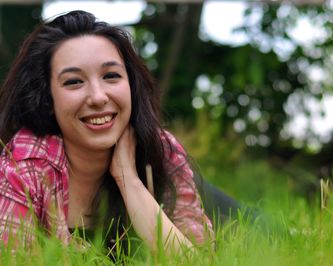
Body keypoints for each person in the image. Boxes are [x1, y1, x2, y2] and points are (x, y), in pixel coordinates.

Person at [0, 10, 213, 252]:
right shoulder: (21, 169)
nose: (98, 97)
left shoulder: (162, 150)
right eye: (73, 81)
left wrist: (129, 180)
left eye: (111, 76)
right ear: (47, 99)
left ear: (131, 86)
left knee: (260, 225)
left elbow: (197, 260)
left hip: (217, 204)